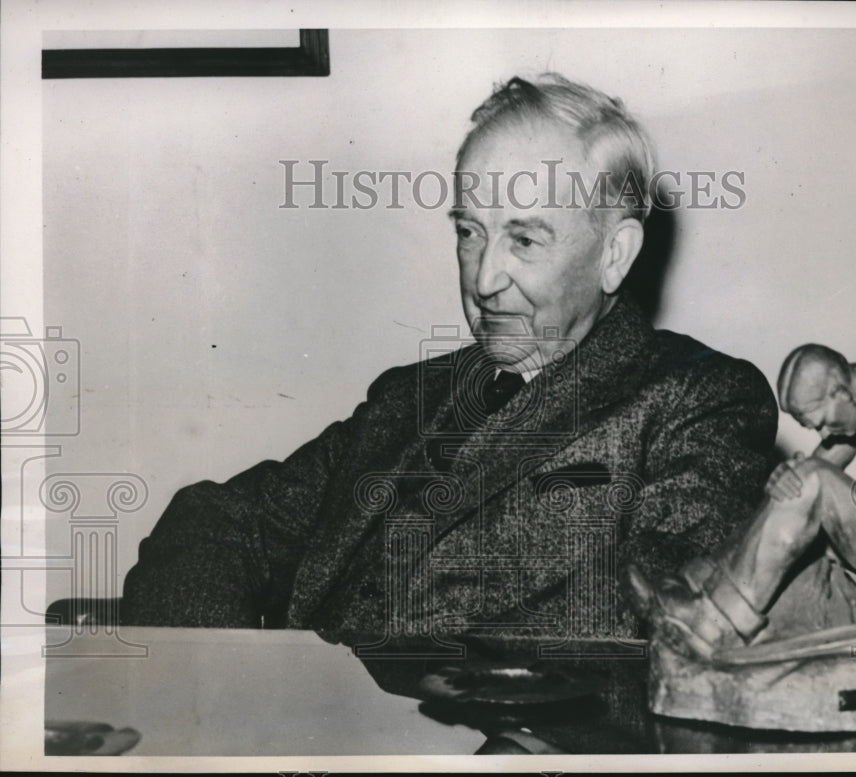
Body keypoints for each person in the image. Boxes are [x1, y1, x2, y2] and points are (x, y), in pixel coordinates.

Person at [120, 74, 777, 643]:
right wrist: (225, 696)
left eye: (523, 238)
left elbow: (654, 619)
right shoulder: (411, 396)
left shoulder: (698, 401)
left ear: (615, 254)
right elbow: (214, 523)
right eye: (470, 232)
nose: (484, 278)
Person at [628, 343, 856, 663]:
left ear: (841, 393)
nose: (824, 434)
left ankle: (712, 623)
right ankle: (696, 585)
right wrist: (784, 478)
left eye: (822, 423)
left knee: (812, 479)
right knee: (797, 480)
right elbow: (805, 484)